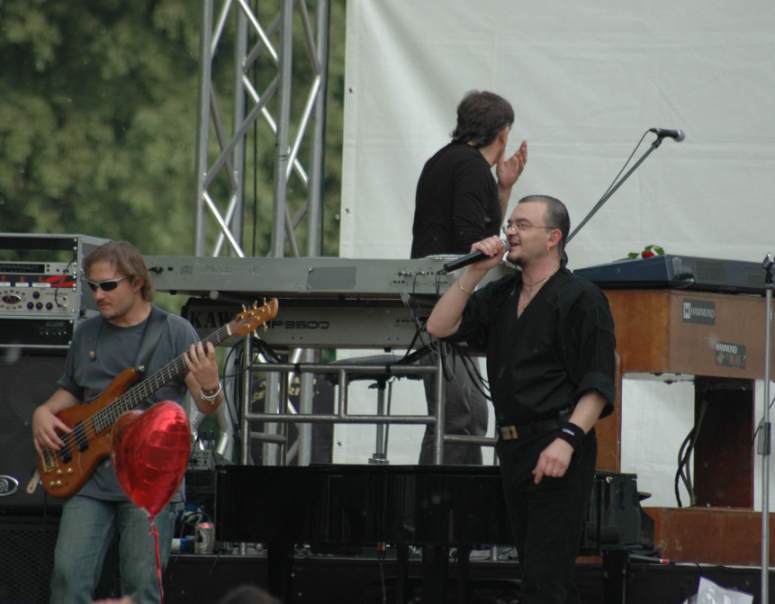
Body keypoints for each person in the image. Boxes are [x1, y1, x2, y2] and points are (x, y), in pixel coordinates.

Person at [425, 195, 616, 603]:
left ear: (553, 238)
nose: (510, 231)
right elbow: (439, 326)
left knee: (546, 578)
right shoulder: (502, 294)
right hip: (513, 446)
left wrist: (567, 439)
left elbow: (597, 383)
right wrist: (476, 271)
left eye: (523, 225)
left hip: (556, 440)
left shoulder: (582, 298)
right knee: (531, 566)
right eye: (510, 224)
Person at [32, 241, 224, 604]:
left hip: (149, 481)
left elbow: (207, 405)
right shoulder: (86, 333)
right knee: (67, 578)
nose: (98, 295)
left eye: (108, 286)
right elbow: (72, 389)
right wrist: (42, 412)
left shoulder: (175, 331)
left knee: (141, 586)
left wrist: (211, 384)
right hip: (90, 479)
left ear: (136, 282)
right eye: (92, 286)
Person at [410, 89, 528, 464]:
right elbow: (473, 242)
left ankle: (455, 494)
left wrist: (503, 187)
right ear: (503, 134)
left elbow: (478, 235)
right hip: (444, 300)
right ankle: (438, 497)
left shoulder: (444, 160)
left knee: (469, 411)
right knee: (459, 414)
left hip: (442, 298)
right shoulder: (471, 167)